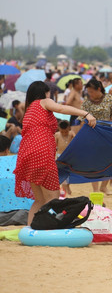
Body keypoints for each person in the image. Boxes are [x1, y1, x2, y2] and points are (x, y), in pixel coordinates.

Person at [13, 81, 96, 225]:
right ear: (45, 92)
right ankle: (48, 228)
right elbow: (62, 109)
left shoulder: (30, 108)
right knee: (53, 198)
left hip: (26, 154)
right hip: (41, 152)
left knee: (39, 200)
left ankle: (30, 229)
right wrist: (86, 113)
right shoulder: (44, 101)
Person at [82, 79, 112, 194]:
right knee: (94, 162)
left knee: (109, 161)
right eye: (88, 92)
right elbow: (82, 119)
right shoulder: (86, 102)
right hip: (92, 134)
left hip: (107, 134)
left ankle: (104, 186)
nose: (90, 94)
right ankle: (96, 189)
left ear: (98, 89)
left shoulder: (109, 99)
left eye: (91, 92)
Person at [55, 120, 75, 196]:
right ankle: (65, 189)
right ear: (59, 129)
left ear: (69, 128)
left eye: (66, 132)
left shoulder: (71, 133)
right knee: (62, 173)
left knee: (69, 173)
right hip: (60, 156)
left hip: (69, 156)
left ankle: (67, 187)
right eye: (62, 132)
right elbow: (54, 146)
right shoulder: (57, 135)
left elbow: (76, 140)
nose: (64, 133)